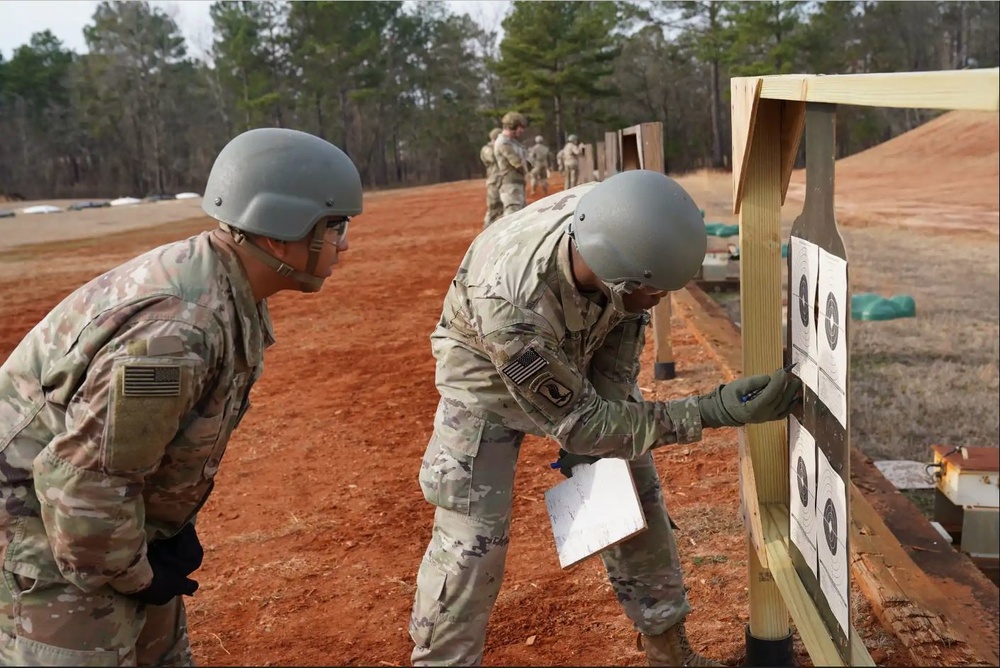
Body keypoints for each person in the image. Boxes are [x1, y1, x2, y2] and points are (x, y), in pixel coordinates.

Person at [408, 169, 802, 667]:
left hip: (578, 335)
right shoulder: (512, 307)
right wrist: (712, 410)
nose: (661, 301)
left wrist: (614, 437)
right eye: (656, 293)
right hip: (484, 376)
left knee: (632, 492)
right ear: (622, 279)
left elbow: (620, 343)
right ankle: (442, 660)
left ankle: (667, 651)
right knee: (472, 540)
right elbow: (582, 424)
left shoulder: (621, 222)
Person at [0, 127, 362, 666]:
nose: (345, 243)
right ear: (284, 226)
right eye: (336, 226)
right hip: (48, 538)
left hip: (105, 531)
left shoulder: (224, 282)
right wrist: (138, 574)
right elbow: (85, 486)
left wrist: (163, 533)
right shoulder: (174, 333)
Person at [492, 111, 529, 216]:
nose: (522, 130)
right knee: (512, 215)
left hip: (516, 183)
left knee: (520, 214)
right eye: (520, 127)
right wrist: (525, 168)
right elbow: (517, 162)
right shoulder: (503, 143)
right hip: (510, 184)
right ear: (512, 126)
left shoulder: (512, 142)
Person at [480, 128, 503, 228]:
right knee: (493, 207)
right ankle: (486, 230)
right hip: (493, 181)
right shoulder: (487, 149)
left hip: (504, 181)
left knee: (503, 209)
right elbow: (493, 157)